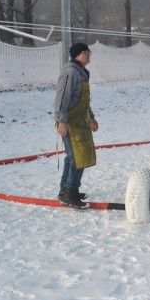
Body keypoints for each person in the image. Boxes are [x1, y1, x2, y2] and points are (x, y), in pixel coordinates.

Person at [54, 42, 99, 209]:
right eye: (84, 52)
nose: (87, 55)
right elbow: (62, 98)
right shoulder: (70, 72)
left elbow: (82, 100)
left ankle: (65, 190)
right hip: (70, 122)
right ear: (75, 55)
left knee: (73, 157)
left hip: (79, 120)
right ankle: (70, 194)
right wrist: (62, 121)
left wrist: (91, 118)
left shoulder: (81, 72)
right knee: (77, 158)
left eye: (88, 52)